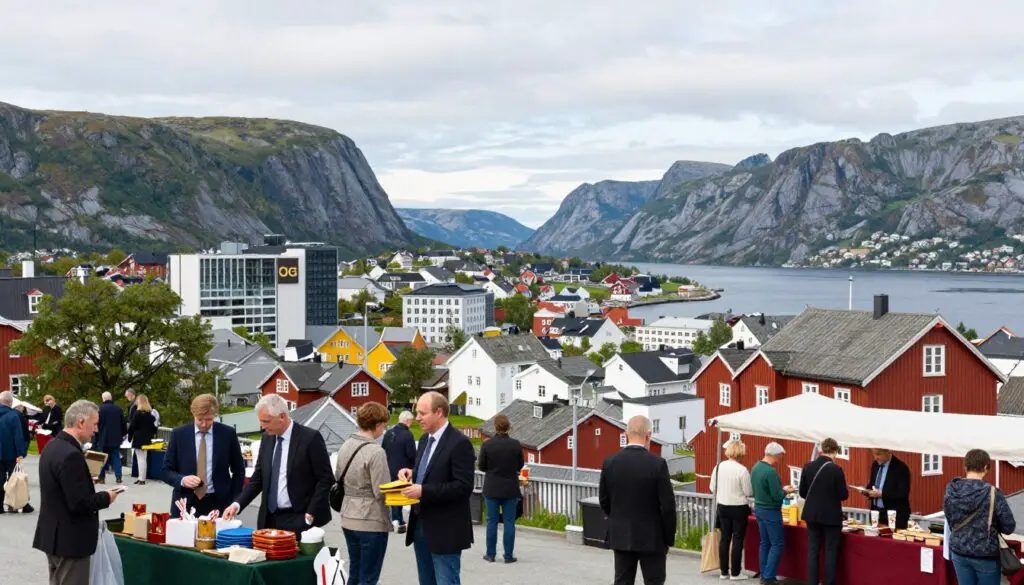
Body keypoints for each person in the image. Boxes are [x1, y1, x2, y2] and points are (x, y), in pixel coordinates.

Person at [33, 399, 121, 585]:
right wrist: (107, 496)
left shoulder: (53, 446)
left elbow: (60, 486)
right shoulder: (71, 454)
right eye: (95, 424)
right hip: (70, 540)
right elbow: (80, 503)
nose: (96, 429)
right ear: (81, 422)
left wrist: (84, 479)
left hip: (54, 536)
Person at [397, 391, 475, 585]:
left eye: (422, 413)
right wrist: (412, 473)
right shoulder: (424, 440)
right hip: (420, 525)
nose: (417, 418)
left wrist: (423, 491)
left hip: (445, 530)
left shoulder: (460, 443)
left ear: (439, 412)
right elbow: (431, 470)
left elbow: (463, 486)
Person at [224, 394, 334, 532]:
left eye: (266, 421)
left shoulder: (310, 439)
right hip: (268, 519)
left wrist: (310, 514)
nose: (262, 426)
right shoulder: (267, 439)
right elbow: (258, 478)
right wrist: (237, 504)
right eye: (261, 421)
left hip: (299, 518)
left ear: (282, 416)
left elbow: (325, 479)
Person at [599, 415, 676, 585]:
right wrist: (669, 536)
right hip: (653, 536)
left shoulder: (610, 462)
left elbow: (603, 499)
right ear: (648, 435)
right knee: (654, 581)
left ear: (626, 435)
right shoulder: (658, 464)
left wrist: (617, 518)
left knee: (622, 581)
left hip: (621, 533)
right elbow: (668, 506)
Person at [335, 402, 392, 585]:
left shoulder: (346, 445)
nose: (384, 430)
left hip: (348, 516)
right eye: (383, 425)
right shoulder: (376, 451)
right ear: (377, 425)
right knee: (368, 578)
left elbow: (338, 476)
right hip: (370, 520)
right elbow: (381, 490)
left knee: (355, 572)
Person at [162, 394, 245, 517]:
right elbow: (165, 471)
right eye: (200, 419)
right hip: (185, 504)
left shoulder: (228, 434)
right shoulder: (178, 435)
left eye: (209, 419)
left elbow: (239, 470)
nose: (204, 424)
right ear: (193, 414)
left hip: (219, 504)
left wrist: (233, 501)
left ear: (215, 415)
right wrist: (182, 480)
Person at [945, 449, 1016, 585]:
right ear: (985, 467)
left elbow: (950, 519)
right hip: (985, 555)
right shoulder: (993, 493)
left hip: (959, 552)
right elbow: (1009, 527)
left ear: (965, 466)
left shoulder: (950, 489)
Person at [799, 438, 849, 585]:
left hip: (812, 515)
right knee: (830, 551)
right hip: (831, 517)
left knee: (813, 551)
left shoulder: (807, 467)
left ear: (821, 450)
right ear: (835, 451)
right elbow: (843, 495)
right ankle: (829, 582)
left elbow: (802, 493)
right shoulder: (836, 470)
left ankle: (813, 582)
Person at [478, 413, 524, 563]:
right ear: (509, 427)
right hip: (510, 488)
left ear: (495, 427)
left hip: (492, 488)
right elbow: (520, 465)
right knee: (509, 522)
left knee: (491, 521)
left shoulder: (487, 445)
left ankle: (490, 554)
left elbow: (482, 466)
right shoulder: (516, 444)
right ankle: (508, 556)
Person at [750, 442, 796, 585]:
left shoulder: (756, 468)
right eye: (780, 457)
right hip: (771, 511)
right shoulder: (770, 472)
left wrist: (780, 489)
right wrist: (786, 491)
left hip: (759, 509)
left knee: (765, 543)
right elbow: (776, 496)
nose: (779, 460)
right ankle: (768, 577)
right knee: (777, 544)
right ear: (775, 455)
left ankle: (764, 574)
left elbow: (765, 489)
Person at [710, 439, 753, 581]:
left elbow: (712, 488)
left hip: (722, 506)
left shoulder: (718, 466)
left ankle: (723, 572)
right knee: (738, 540)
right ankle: (735, 573)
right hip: (739, 507)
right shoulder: (742, 470)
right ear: (740, 452)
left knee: (725, 539)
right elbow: (748, 492)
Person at [381, 410, 416, 533]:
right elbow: (412, 454)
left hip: (389, 467)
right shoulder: (408, 435)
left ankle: (395, 518)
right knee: (400, 496)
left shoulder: (388, 433)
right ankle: (398, 520)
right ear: (407, 421)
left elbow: (383, 449)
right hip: (403, 469)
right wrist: (414, 468)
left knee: (392, 493)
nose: (411, 424)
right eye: (411, 421)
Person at [859, 448, 911, 530]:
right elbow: (873, 485)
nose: (876, 457)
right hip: (876, 513)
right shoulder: (875, 465)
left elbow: (903, 493)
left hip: (894, 515)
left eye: (878, 454)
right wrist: (866, 490)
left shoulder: (901, 468)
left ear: (889, 451)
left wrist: (882, 494)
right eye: (874, 454)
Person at [0, 391, 29, 514]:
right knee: (14, 479)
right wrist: (21, 453)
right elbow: (18, 437)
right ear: (10, 402)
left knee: (0, 479)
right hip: (11, 452)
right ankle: (14, 505)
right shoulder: (13, 416)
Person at [95, 391, 126, 484]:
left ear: (103, 398)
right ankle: (118, 477)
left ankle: (101, 478)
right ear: (111, 398)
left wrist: (97, 436)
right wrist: (123, 435)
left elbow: (97, 424)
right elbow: (123, 424)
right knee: (116, 457)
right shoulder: (118, 409)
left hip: (103, 438)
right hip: (116, 438)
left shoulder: (100, 409)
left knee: (102, 458)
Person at [129, 394, 158, 485]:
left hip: (138, 438)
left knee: (140, 459)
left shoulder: (137, 414)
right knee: (143, 458)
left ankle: (141, 478)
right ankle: (141, 477)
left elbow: (133, 426)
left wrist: (130, 437)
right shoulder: (150, 415)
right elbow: (154, 429)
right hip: (147, 439)